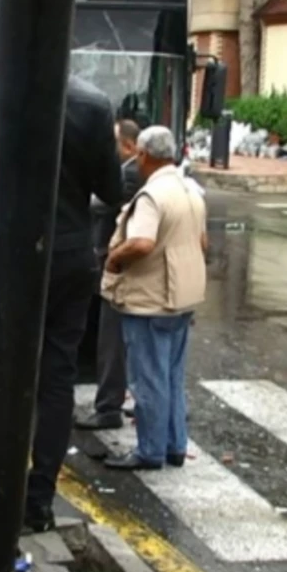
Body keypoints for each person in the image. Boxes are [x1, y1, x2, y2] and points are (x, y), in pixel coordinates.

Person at [0, 75, 124, 532]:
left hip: (16, 254)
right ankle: (39, 499)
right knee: (58, 378)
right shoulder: (94, 104)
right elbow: (112, 188)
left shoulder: (2, 88)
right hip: (72, 254)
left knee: (3, 369)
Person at [101, 126, 207, 470]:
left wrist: (115, 258)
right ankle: (175, 445)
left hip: (151, 299)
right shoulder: (190, 190)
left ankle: (150, 451)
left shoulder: (152, 196)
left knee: (148, 378)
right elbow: (203, 243)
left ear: (144, 155)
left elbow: (143, 243)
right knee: (172, 376)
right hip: (182, 295)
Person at [77, 118, 145, 431]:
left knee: (112, 341)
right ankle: (138, 403)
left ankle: (108, 408)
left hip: (119, 266)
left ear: (130, 146)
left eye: (113, 144)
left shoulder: (130, 175)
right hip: (133, 269)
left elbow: (97, 204)